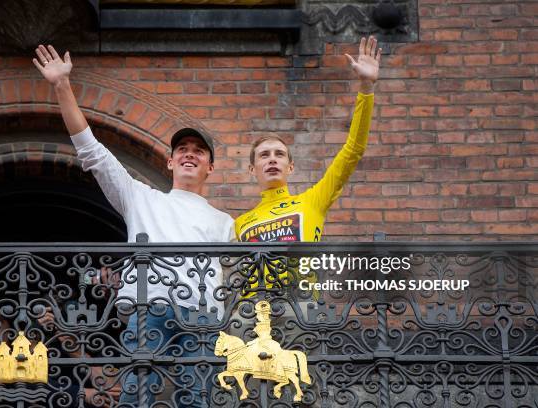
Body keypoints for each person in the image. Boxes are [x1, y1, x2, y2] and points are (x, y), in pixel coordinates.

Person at [33, 44, 235, 407]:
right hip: (150, 307)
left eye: (199, 151)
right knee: (136, 395)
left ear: (210, 168)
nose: (189, 153)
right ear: (171, 163)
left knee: (200, 398)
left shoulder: (224, 222)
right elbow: (93, 152)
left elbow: (233, 280)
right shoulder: (141, 197)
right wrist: (62, 85)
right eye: (182, 150)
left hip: (204, 318)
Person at [234, 36, 381, 291]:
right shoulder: (238, 224)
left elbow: (353, 150)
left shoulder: (313, 200)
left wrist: (366, 87)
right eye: (264, 155)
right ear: (251, 169)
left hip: (300, 310)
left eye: (279, 154)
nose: (272, 159)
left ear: (290, 167)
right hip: (251, 315)